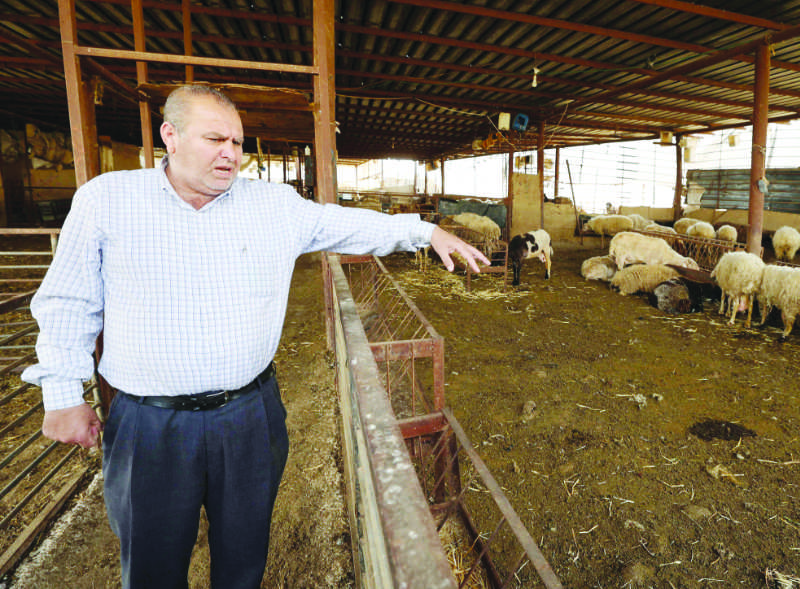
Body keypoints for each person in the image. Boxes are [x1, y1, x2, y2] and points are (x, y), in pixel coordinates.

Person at [23, 84, 489, 588]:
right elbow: (69, 302)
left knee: (244, 557)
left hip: (249, 416)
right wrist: (63, 395)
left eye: (238, 143)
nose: (230, 153)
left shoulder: (273, 206)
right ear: (170, 137)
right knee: (152, 565)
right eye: (215, 139)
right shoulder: (107, 200)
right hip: (148, 426)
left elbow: (345, 224)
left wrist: (425, 232)